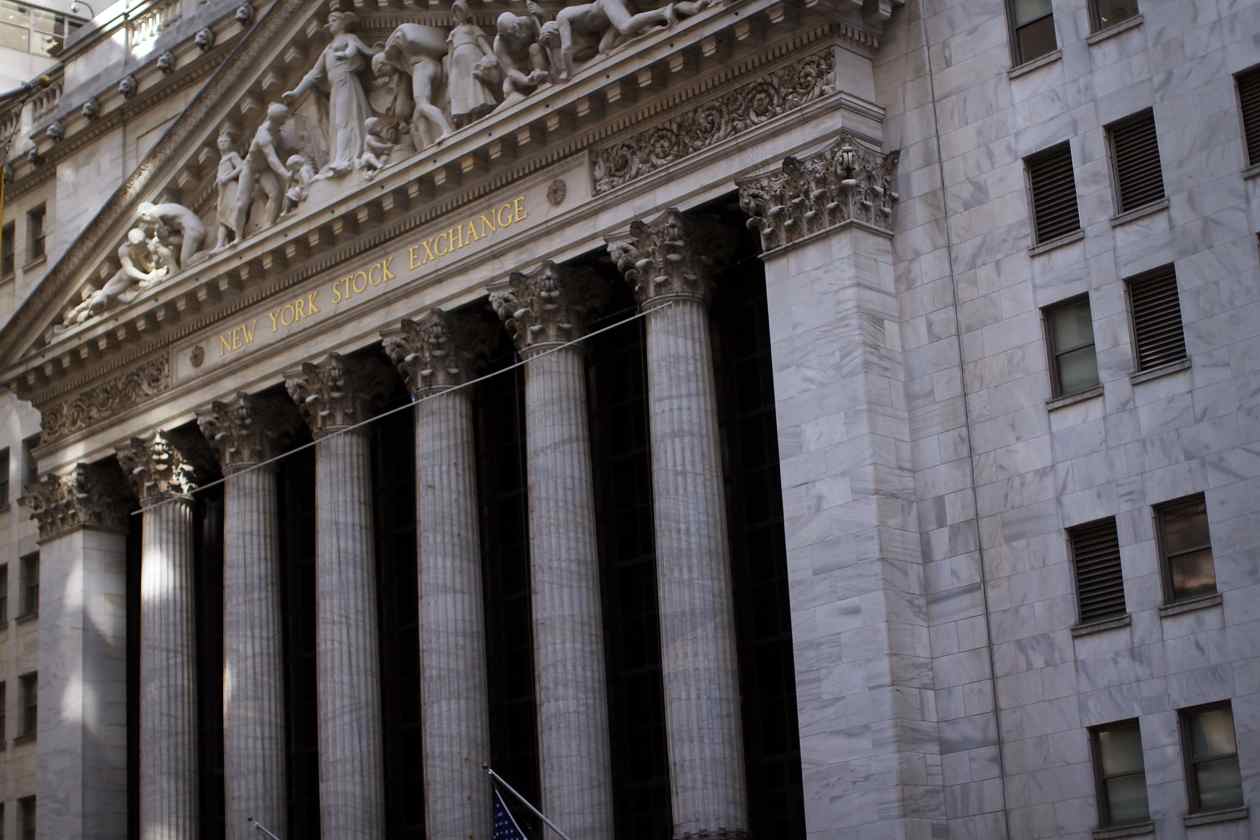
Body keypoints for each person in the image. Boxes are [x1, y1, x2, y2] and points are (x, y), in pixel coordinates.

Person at [282, 11, 377, 178]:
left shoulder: (349, 38)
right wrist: (296, 92)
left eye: (334, 20)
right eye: (329, 21)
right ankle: (340, 156)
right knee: (337, 123)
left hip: (346, 83)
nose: (331, 23)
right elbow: (313, 74)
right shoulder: (328, 49)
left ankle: (343, 158)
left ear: (343, 23)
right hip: (336, 88)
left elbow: (366, 51)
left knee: (343, 121)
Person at [234, 103, 292, 235]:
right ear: (278, 119)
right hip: (250, 169)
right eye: (284, 118)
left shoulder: (276, 130)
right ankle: (238, 237)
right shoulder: (263, 135)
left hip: (264, 170)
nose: (285, 120)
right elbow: (272, 158)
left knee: (276, 193)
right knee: (241, 204)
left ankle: (268, 224)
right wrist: (285, 174)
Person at [446, 0, 498, 128]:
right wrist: (449, 74)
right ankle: (465, 121)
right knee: (461, 90)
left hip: (472, 62)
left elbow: (486, 48)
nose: (458, 14)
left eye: (460, 11)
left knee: (473, 89)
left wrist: (490, 58)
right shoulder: (453, 34)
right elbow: (450, 56)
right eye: (456, 11)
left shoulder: (473, 29)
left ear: (466, 13)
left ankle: (476, 117)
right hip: (458, 68)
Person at [136, 201, 206, 270]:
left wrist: (158, 236)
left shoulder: (153, 213)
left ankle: (208, 254)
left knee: (185, 264)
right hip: (192, 229)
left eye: (144, 221)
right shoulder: (163, 208)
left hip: (192, 230)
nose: (148, 223)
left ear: (144, 214)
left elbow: (163, 234)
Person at [213, 124, 244, 250]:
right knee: (222, 217)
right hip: (222, 191)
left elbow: (242, 167)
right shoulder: (222, 160)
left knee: (232, 211)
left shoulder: (233, 155)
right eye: (220, 142)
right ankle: (220, 244)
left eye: (225, 141)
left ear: (230, 143)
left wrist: (228, 177)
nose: (223, 143)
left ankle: (238, 236)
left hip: (231, 187)